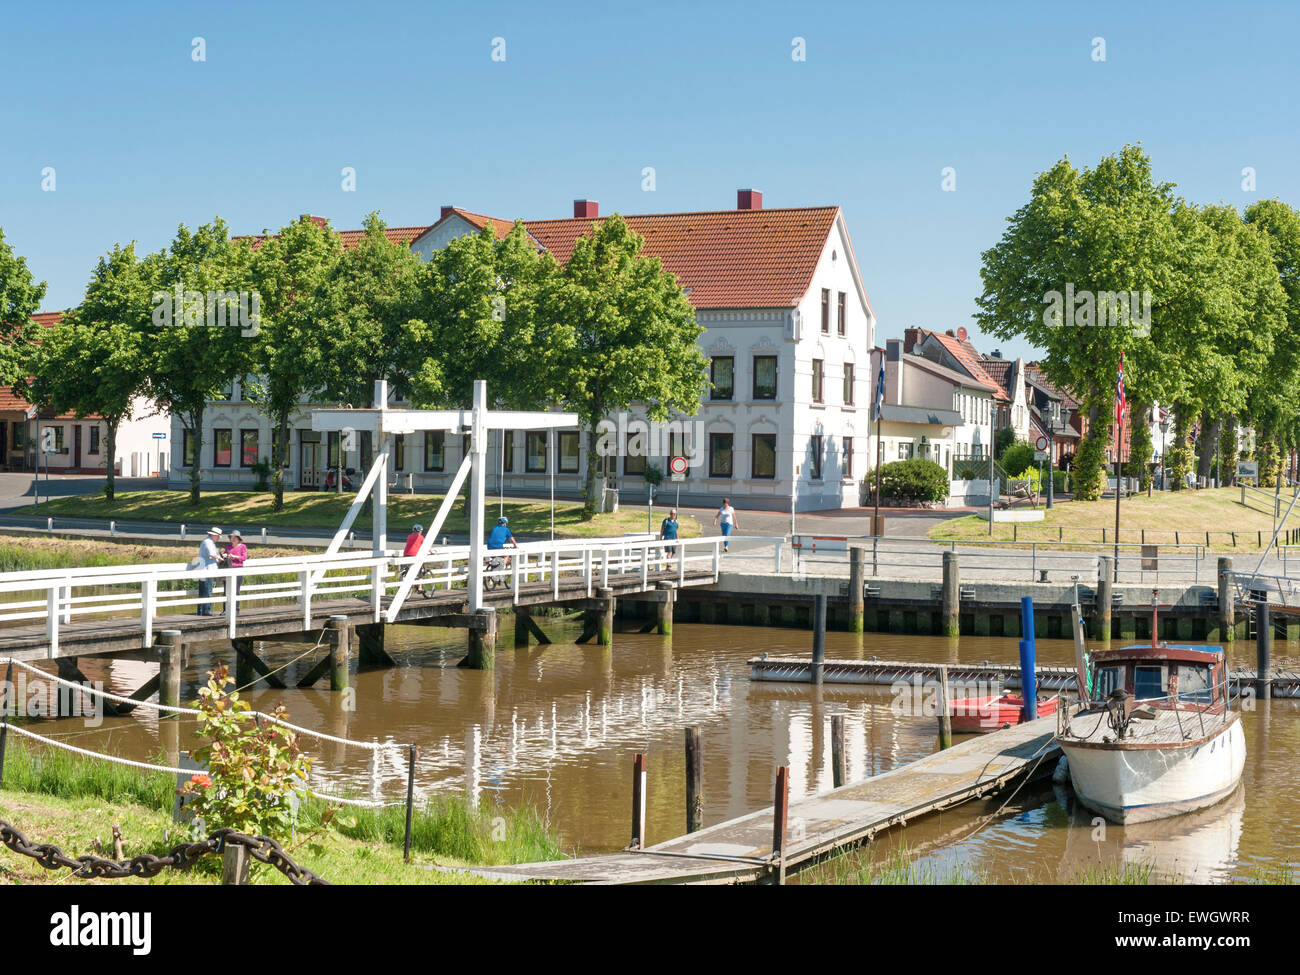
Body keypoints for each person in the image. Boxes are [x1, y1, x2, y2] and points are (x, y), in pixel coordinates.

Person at [196, 527, 222, 616]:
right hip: (207, 570)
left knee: (203, 591)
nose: (218, 538)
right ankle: (206, 611)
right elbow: (212, 554)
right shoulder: (209, 542)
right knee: (207, 591)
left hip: (203, 569)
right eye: (218, 536)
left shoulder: (208, 541)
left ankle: (200, 611)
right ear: (214, 535)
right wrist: (220, 558)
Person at [223, 530, 249, 597]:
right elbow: (224, 555)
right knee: (226, 589)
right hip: (228, 567)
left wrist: (234, 556)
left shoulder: (243, 546)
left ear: (238, 539)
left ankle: (236, 607)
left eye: (235, 538)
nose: (233, 539)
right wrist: (224, 556)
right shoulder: (228, 546)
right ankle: (225, 607)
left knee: (236, 589)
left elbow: (244, 557)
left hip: (238, 568)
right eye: (232, 537)